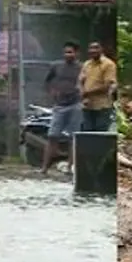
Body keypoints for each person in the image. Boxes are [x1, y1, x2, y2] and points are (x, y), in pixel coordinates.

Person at [40, 41, 82, 173]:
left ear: (76, 53)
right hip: (59, 105)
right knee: (52, 135)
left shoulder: (82, 67)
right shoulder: (56, 66)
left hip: (76, 104)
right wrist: (51, 92)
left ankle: (71, 166)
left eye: (70, 52)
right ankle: (45, 167)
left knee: (72, 137)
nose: (67, 55)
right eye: (65, 52)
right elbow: (47, 81)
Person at [79, 41, 118, 132]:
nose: (93, 50)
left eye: (96, 48)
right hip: (87, 106)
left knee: (100, 135)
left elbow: (107, 86)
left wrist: (86, 93)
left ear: (101, 49)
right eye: (91, 48)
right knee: (86, 134)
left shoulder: (109, 64)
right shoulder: (87, 64)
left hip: (102, 106)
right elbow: (80, 80)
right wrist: (82, 93)